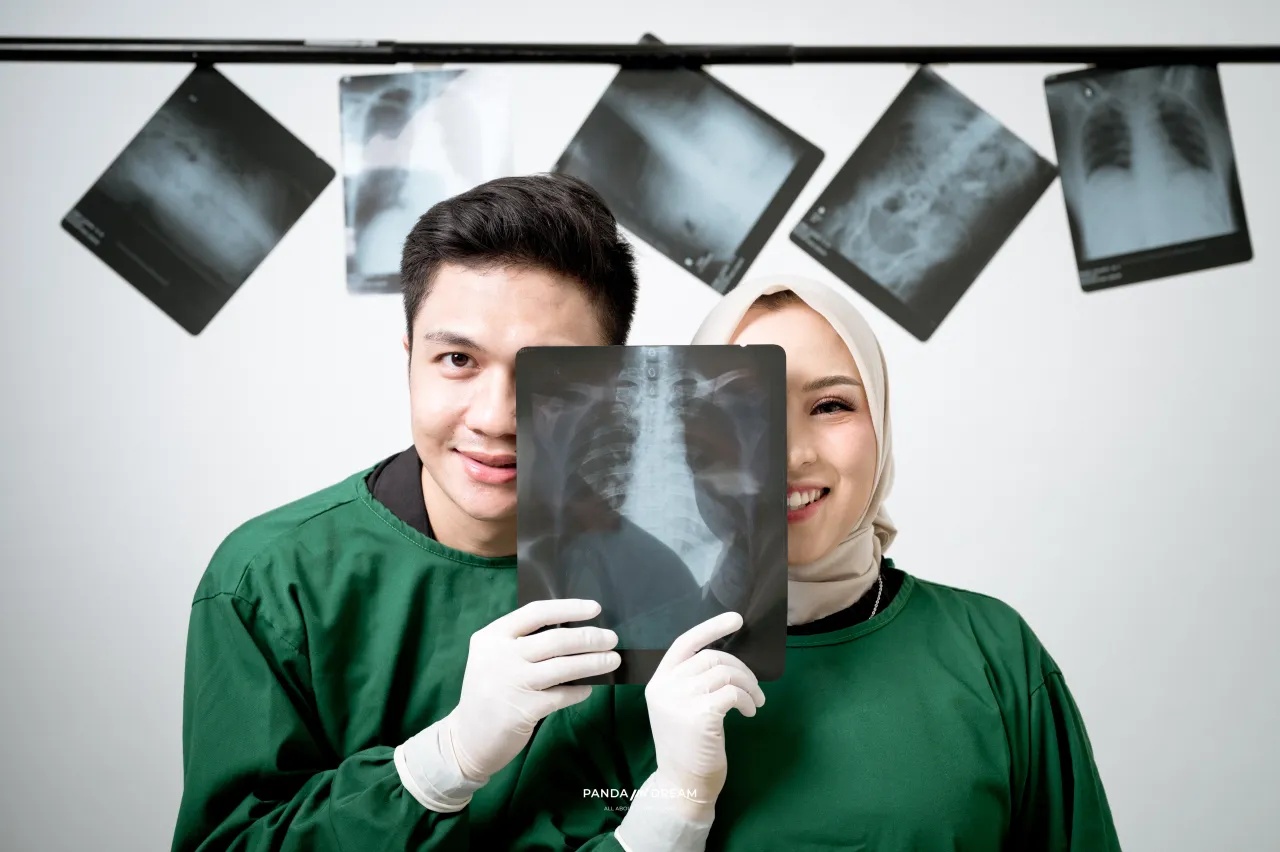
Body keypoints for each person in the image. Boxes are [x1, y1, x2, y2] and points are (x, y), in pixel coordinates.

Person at [506, 274, 1122, 851]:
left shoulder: (994, 652)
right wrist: (673, 805)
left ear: (882, 424)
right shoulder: (610, 666)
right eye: (743, 412)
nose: (789, 453)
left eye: (830, 406)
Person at [170, 173, 642, 851]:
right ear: (410, 361)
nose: (496, 418)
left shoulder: (669, 574)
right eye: (458, 359)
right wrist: (441, 764)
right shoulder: (268, 582)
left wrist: (675, 817)